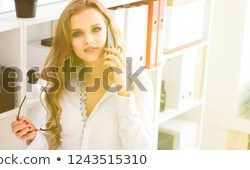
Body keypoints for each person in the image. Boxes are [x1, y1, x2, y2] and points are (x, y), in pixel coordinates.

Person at [10, 0, 155, 150]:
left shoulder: (138, 79)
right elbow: (56, 142)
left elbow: (143, 152)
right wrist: (33, 136)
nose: (89, 40)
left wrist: (123, 92)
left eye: (96, 29)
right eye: (77, 33)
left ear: (108, 31)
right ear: (69, 41)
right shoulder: (62, 79)